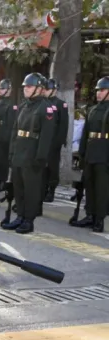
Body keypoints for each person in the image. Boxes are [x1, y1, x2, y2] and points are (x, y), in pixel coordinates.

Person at [1, 73, 56, 234]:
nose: (26, 89)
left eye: (29, 86)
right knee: (19, 188)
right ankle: (19, 217)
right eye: (25, 86)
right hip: (19, 153)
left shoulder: (46, 108)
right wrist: (11, 152)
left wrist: (40, 158)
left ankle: (28, 220)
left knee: (31, 190)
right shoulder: (24, 106)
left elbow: (46, 137)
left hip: (32, 155)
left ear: (39, 89)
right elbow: (14, 131)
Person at [74, 76, 109, 233]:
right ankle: (90, 215)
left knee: (102, 189)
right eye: (97, 90)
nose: (98, 93)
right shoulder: (93, 110)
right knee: (89, 186)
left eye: (102, 90)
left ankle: (99, 219)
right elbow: (85, 133)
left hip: (104, 154)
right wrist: (82, 154)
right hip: (91, 152)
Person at [43, 78, 69, 202]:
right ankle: (42, 188)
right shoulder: (42, 103)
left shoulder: (60, 104)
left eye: (47, 89)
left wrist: (59, 141)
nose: (45, 91)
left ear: (54, 90)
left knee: (52, 167)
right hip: (43, 140)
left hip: (54, 142)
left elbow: (63, 125)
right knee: (42, 166)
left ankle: (51, 190)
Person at [0, 79, 18, 192]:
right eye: (0, 88)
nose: (0, 91)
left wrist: (6, 140)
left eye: (3, 88)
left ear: (9, 90)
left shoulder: (11, 106)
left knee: (2, 161)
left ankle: (2, 182)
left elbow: (10, 124)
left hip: (4, 137)